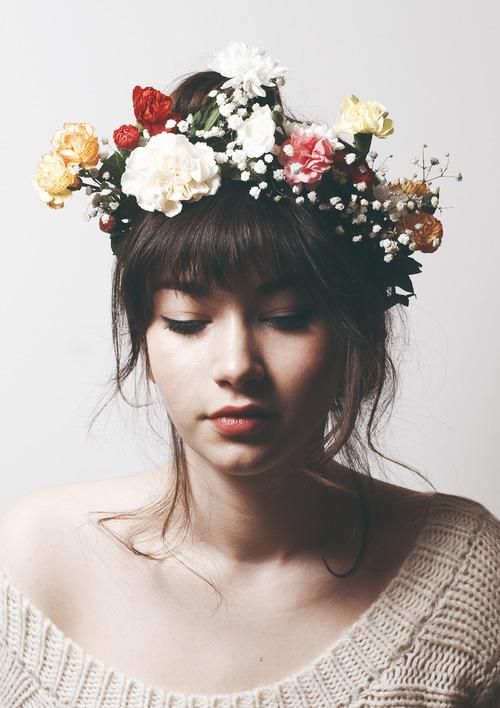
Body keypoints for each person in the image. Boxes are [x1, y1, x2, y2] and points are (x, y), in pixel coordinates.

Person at [0, 41, 498, 707]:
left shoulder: (465, 575)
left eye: (287, 317)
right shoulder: (33, 562)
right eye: (186, 322)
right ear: (143, 342)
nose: (236, 367)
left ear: (351, 337)